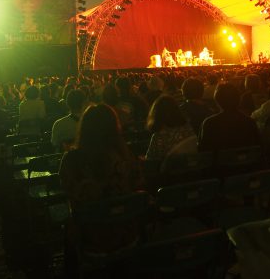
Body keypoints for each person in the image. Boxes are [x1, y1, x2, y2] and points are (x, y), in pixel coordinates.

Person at [59, 104, 142, 253]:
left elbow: (67, 191)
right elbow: (138, 185)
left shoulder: (72, 160)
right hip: (128, 233)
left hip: (90, 236)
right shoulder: (126, 156)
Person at [199, 83, 260, 152]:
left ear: (217, 100)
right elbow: (257, 147)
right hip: (247, 161)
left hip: (219, 162)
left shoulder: (209, 123)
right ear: (238, 99)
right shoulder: (250, 122)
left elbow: (203, 151)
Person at [145, 95, 197, 162]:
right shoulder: (188, 128)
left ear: (157, 115)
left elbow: (150, 160)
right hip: (191, 168)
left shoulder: (159, 136)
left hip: (169, 171)